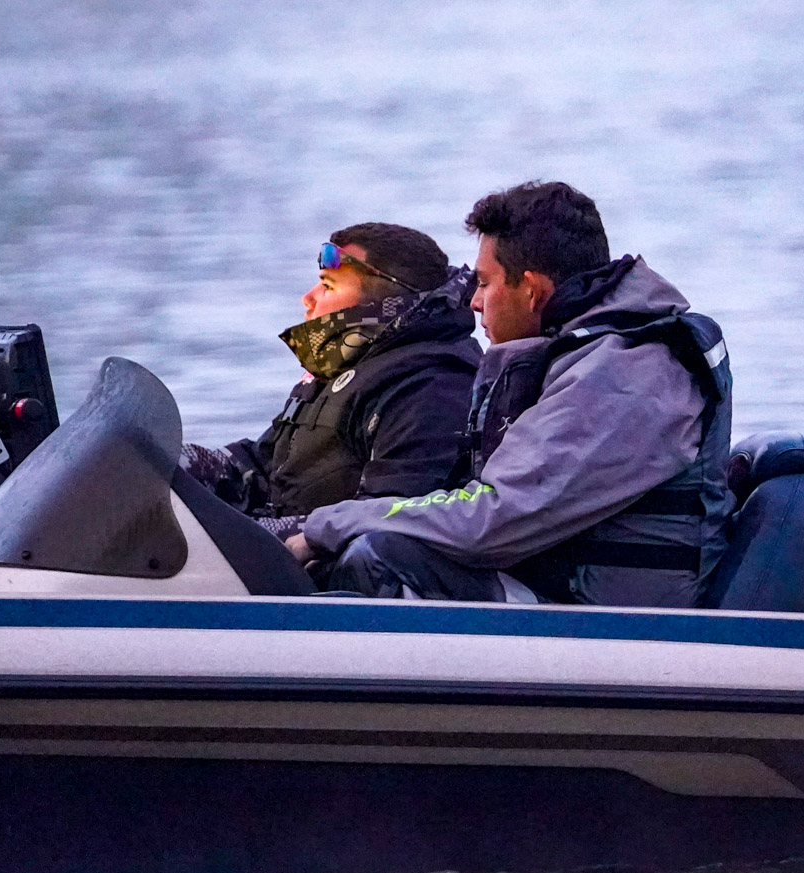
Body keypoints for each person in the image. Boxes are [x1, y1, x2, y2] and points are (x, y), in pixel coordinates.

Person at [288, 182, 734, 607]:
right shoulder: (583, 355)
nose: (474, 302)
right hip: (560, 587)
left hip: (613, 621)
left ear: (533, 291)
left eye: (484, 283)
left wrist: (327, 527)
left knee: (379, 558)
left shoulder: (626, 377)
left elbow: (492, 518)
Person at [182, 223, 483, 540]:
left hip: (333, 567)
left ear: (382, 305)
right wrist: (175, 462)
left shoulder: (432, 388)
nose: (307, 298)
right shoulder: (345, 367)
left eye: (328, 286)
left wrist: (260, 537)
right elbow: (260, 468)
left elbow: (393, 520)